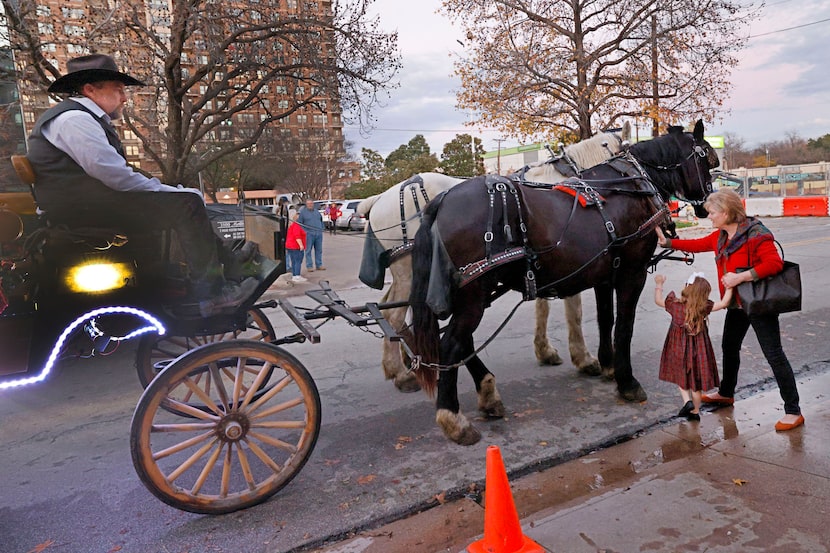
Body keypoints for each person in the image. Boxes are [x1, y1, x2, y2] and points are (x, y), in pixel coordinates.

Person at [25, 54, 257, 313]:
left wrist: (173, 192)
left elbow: (120, 171)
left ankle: (228, 263)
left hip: (85, 205)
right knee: (187, 204)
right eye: (119, 90)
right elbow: (114, 174)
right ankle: (213, 293)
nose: (124, 98)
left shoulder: (81, 118)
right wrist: (176, 195)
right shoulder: (74, 120)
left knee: (186, 201)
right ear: (90, 89)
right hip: (80, 212)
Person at [656, 188, 804, 431]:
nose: (710, 217)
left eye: (712, 213)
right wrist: (668, 242)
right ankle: (726, 393)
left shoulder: (756, 234)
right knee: (729, 347)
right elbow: (698, 244)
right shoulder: (721, 236)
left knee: (774, 354)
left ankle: (793, 410)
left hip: (757, 303)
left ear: (725, 212)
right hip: (736, 304)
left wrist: (740, 277)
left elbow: (774, 263)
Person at [654, 272, 733, 421]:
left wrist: (659, 284)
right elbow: (724, 303)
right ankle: (695, 412)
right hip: (699, 350)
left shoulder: (675, 305)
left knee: (681, 376)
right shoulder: (703, 307)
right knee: (696, 384)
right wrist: (730, 287)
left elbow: (658, 300)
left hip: (677, 348)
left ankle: (687, 402)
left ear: (686, 288)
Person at [297, 198, 325, 271]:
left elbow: (321, 220)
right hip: (309, 235)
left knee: (319, 250)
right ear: (306, 205)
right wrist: (305, 232)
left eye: (311, 203)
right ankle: (309, 266)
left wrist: (322, 228)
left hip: (318, 234)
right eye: (308, 204)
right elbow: (300, 224)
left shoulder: (317, 212)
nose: (310, 205)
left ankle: (319, 265)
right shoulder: (303, 213)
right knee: (308, 250)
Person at [285, 213, 307, 282]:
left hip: (290, 246)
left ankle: (294, 275)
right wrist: (301, 245)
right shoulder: (297, 226)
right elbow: (297, 236)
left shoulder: (291, 225)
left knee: (294, 261)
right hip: (295, 246)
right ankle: (297, 276)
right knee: (298, 261)